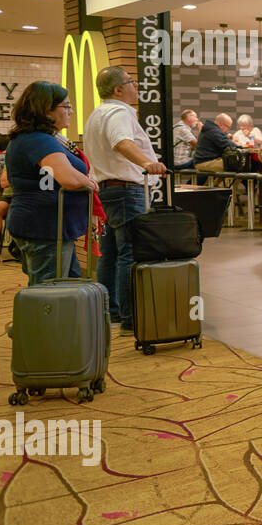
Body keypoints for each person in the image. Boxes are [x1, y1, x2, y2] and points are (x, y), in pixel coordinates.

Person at [83, 66, 167, 332]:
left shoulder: (97, 114)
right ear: (117, 89)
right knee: (129, 252)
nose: (136, 85)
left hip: (105, 191)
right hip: (125, 191)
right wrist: (148, 163)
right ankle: (131, 316)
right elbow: (121, 142)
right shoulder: (119, 112)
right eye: (131, 81)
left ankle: (112, 311)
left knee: (109, 253)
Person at [4, 82, 98, 284]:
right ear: (46, 109)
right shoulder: (39, 140)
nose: (71, 111)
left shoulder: (33, 138)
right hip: (45, 228)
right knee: (49, 296)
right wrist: (89, 183)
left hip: (48, 226)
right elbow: (69, 179)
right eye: (66, 106)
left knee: (64, 288)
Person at [193, 112, 235, 183]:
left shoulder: (211, 128)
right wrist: (241, 146)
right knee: (235, 167)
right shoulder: (214, 131)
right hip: (205, 162)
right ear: (221, 124)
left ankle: (218, 189)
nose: (227, 129)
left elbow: (223, 136)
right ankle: (224, 191)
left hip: (202, 161)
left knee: (231, 165)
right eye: (228, 126)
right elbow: (228, 144)